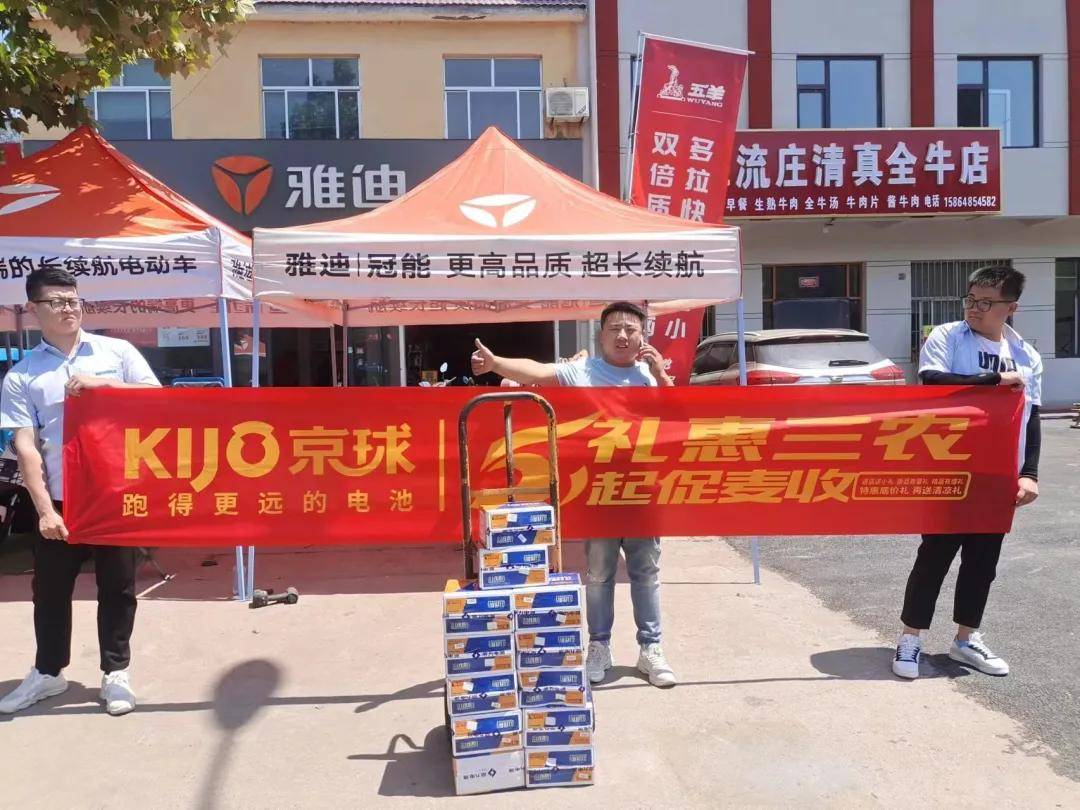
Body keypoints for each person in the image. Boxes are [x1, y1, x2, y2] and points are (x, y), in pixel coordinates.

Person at [471, 302, 677, 688]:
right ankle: (599, 646)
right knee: (598, 574)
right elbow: (536, 371)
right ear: (600, 335)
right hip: (597, 491)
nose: (622, 335)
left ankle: (651, 648)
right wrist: (496, 363)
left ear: (642, 336)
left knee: (646, 573)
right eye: (614, 328)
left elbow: (678, 416)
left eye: (630, 329)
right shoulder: (582, 371)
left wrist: (661, 374)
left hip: (640, 491)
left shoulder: (650, 376)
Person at [0, 268, 161, 715]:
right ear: (33, 309)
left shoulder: (117, 352)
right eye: (56, 302)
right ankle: (49, 672)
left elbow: (158, 402)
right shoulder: (23, 375)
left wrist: (107, 384)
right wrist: (44, 510)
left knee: (118, 587)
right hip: (61, 499)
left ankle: (116, 673)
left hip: (115, 492)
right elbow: (26, 447)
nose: (68, 308)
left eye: (73, 300)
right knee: (50, 591)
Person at [892, 265, 1042, 679]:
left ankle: (965, 639)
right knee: (935, 555)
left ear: (1011, 308)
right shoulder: (947, 336)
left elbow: (1031, 417)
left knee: (982, 561)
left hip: (998, 475)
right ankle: (910, 638)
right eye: (971, 299)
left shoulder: (1026, 356)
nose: (974, 309)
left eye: (986, 303)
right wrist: (995, 380)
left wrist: (1029, 473)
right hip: (949, 468)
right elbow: (933, 380)